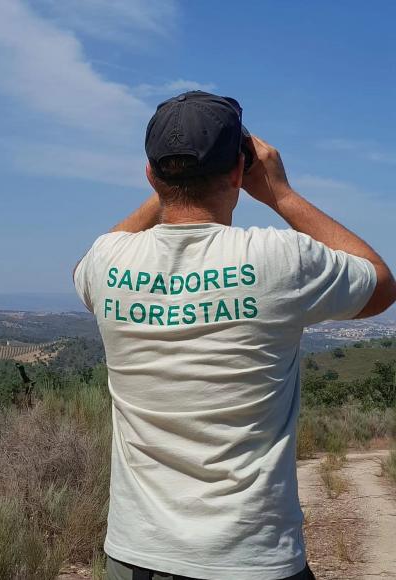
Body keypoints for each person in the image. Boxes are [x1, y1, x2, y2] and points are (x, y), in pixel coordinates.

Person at [73, 91, 396, 580]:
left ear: (150, 173)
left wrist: (167, 189)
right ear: (239, 172)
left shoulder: (107, 262)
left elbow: (88, 262)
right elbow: (380, 282)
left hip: (135, 552)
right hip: (249, 557)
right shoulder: (278, 260)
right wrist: (282, 194)